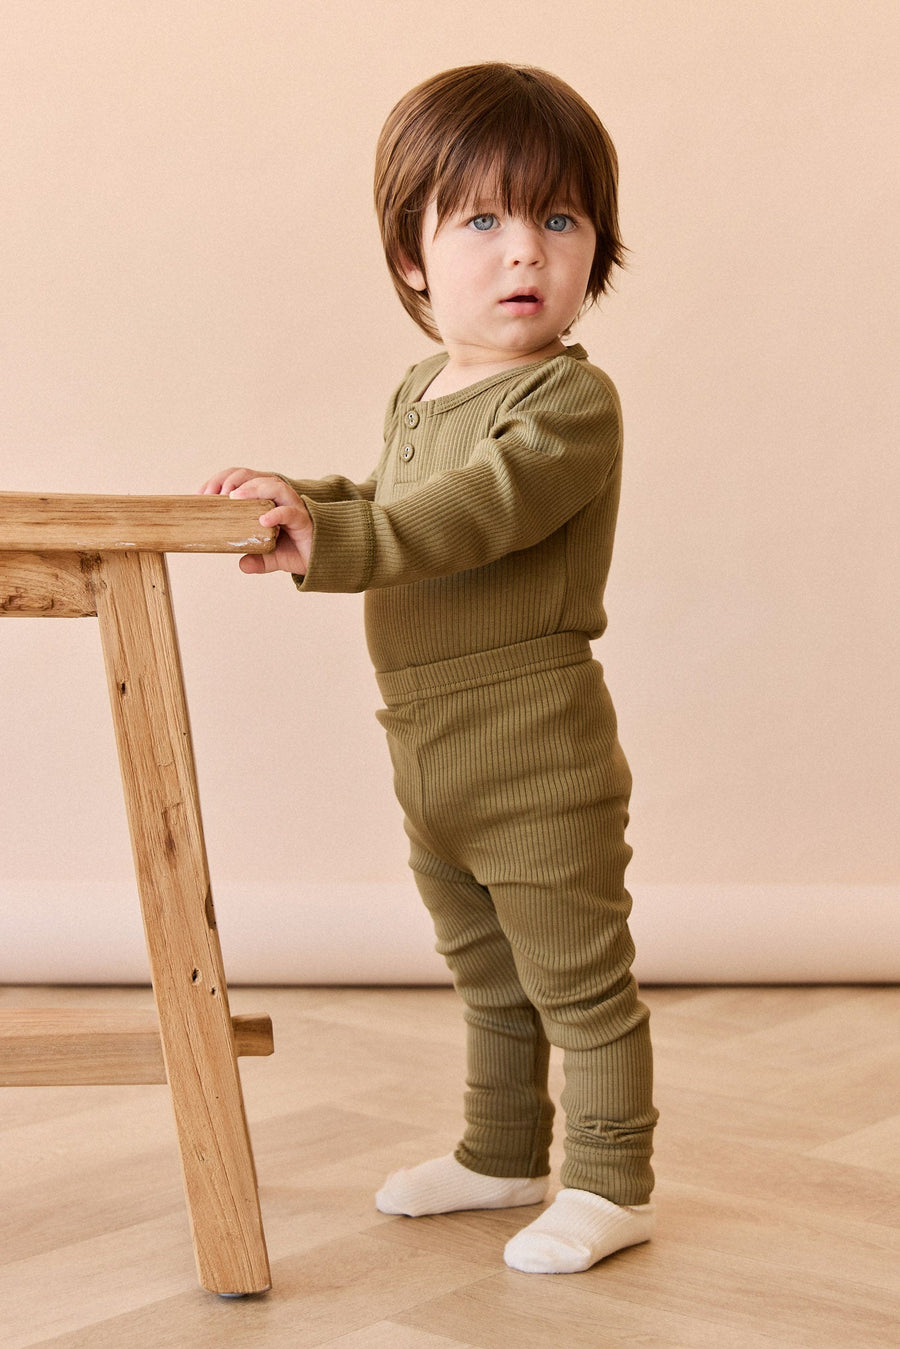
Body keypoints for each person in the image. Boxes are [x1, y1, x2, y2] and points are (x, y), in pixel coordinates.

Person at [201, 62, 658, 1275]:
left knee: (578, 978)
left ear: (596, 248)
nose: (526, 250)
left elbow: (475, 509)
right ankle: (500, 1149)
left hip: (535, 746)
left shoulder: (570, 402)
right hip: (427, 746)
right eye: (484, 220)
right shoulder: (422, 389)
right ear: (412, 255)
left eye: (559, 217)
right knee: (486, 969)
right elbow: (390, 493)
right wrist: (305, 502)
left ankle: (611, 1177)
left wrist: (340, 538)